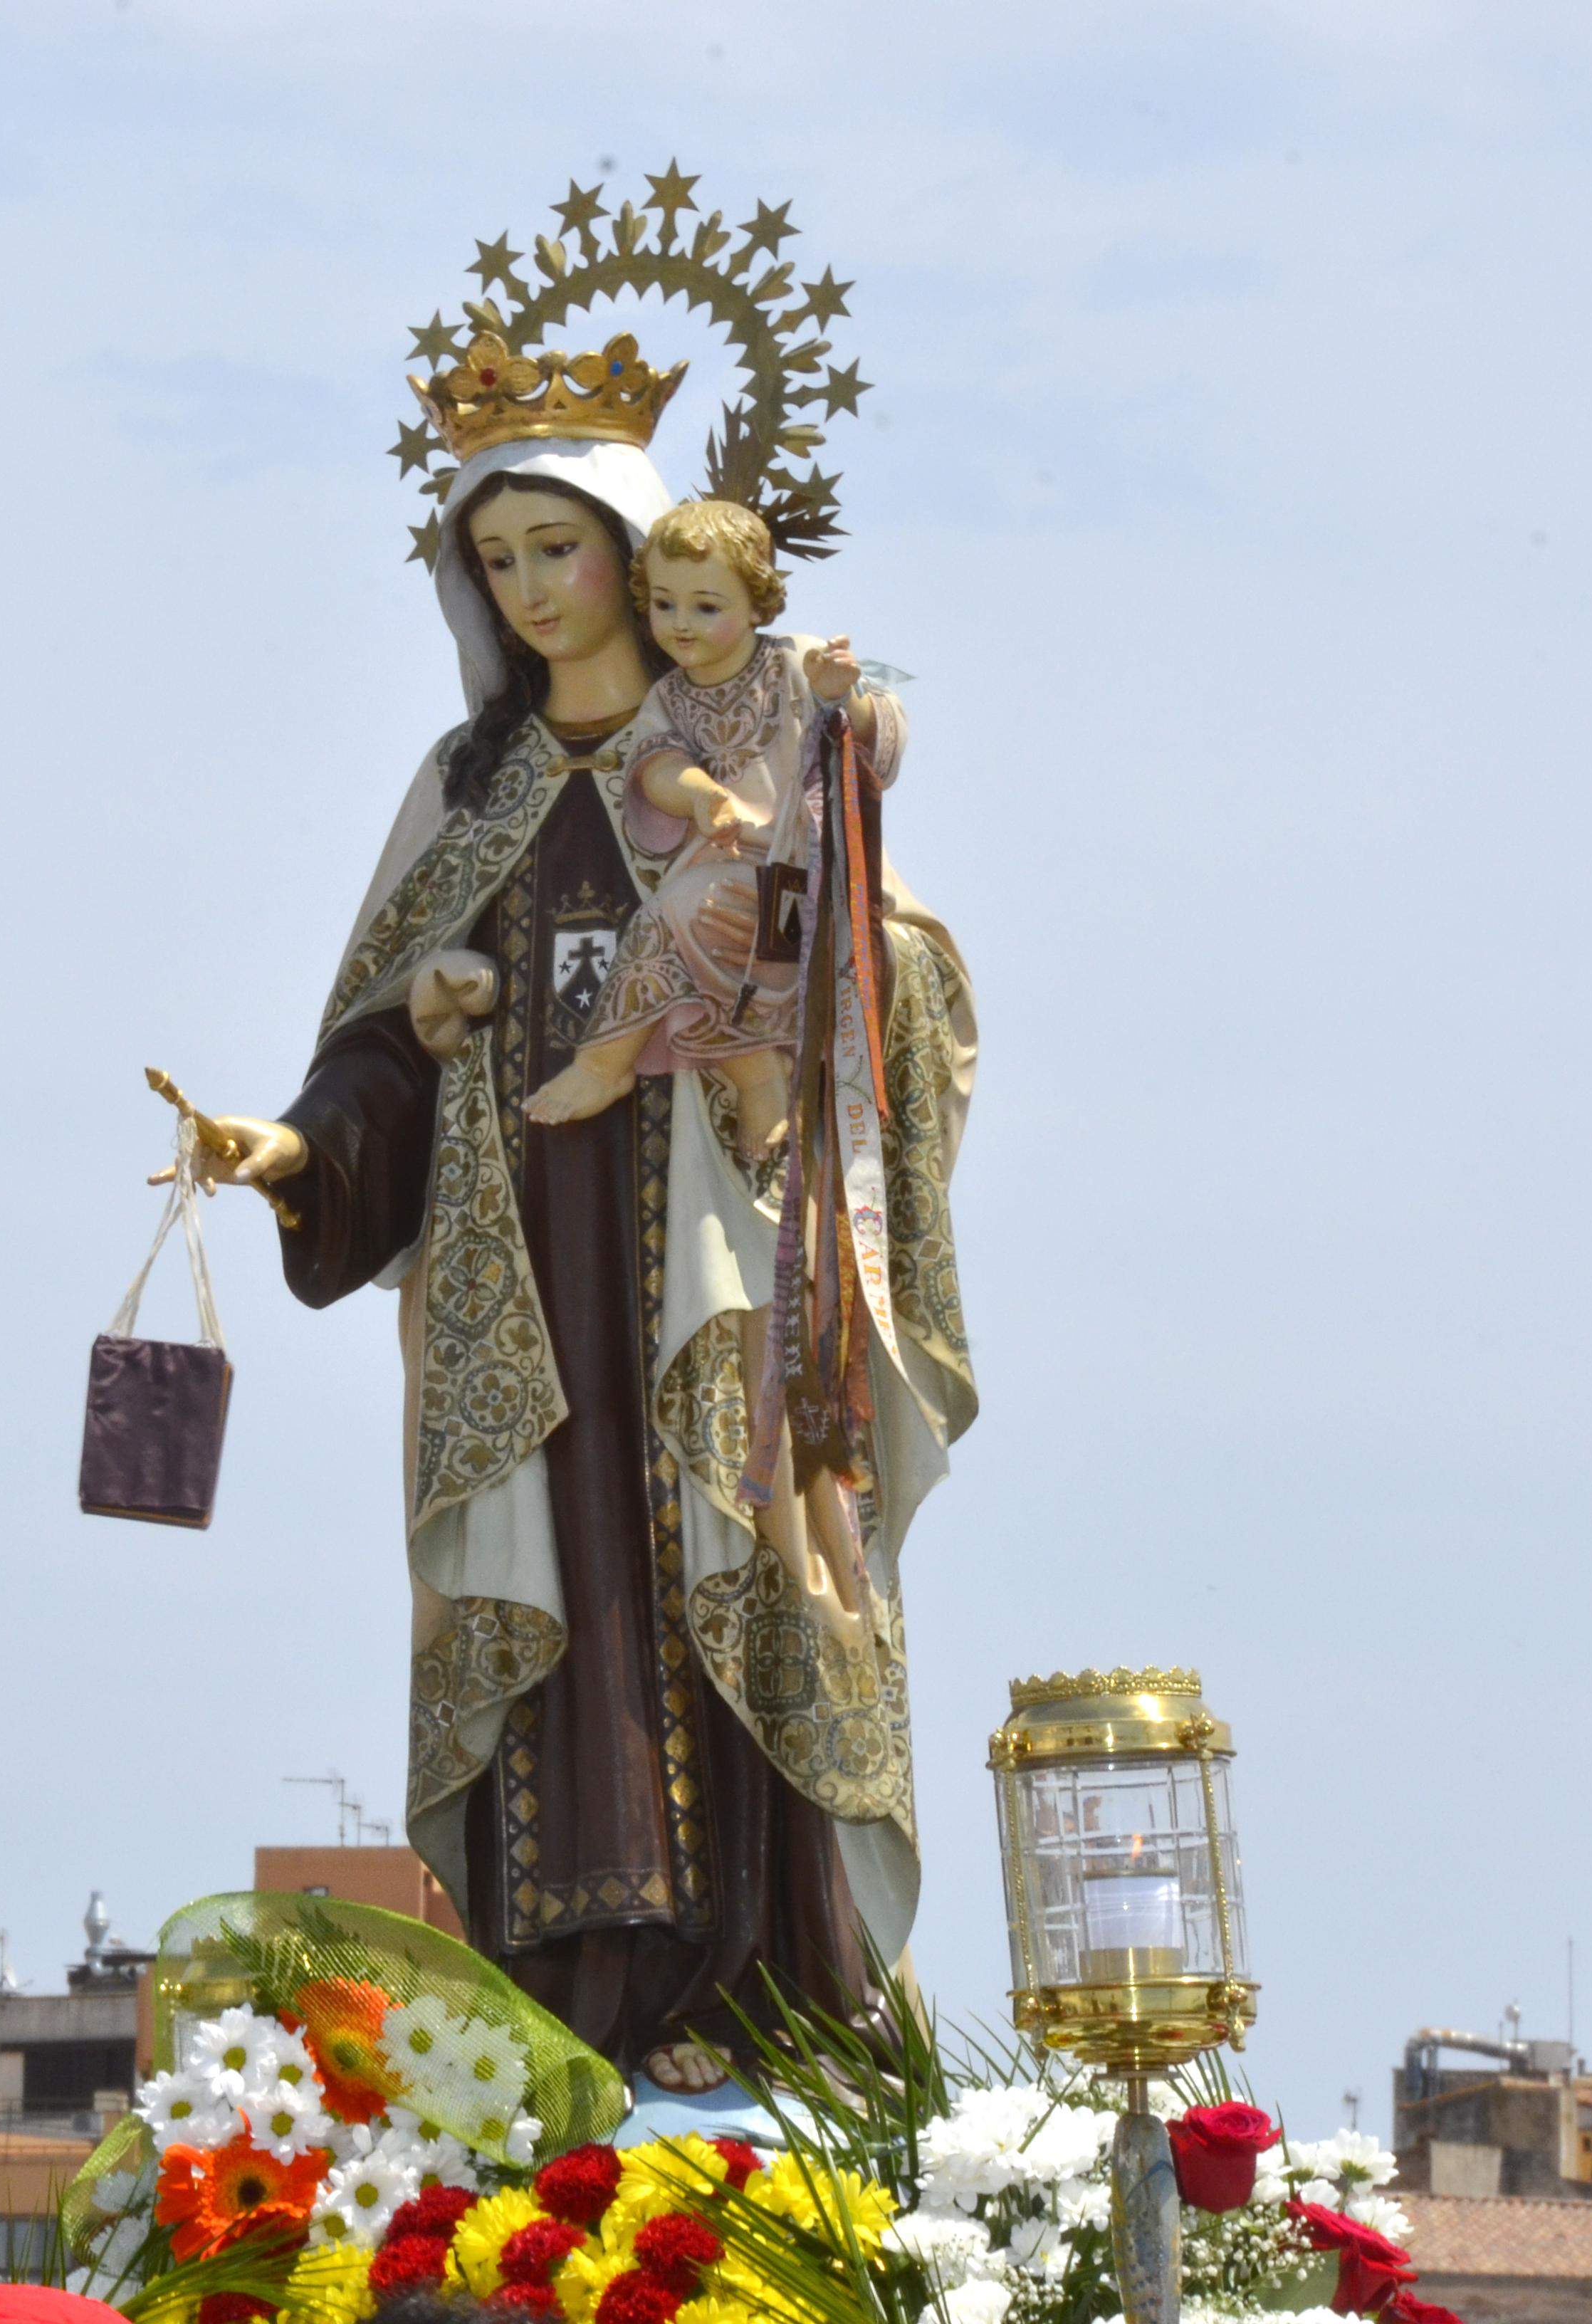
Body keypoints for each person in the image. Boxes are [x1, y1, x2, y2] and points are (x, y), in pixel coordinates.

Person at [179, 332, 977, 2094]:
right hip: (527, 1293)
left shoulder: (752, 744)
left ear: (642, 548)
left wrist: (810, 919)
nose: (534, 592)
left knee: (743, 1570)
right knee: (576, 1621)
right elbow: (376, 1056)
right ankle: (589, 2009)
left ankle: (778, 2004)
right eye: (497, 562)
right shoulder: (471, 794)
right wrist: (296, 1146)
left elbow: (896, 970)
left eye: (561, 548)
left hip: (723, 1268)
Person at [520, 497, 877, 1159]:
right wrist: (700, 795)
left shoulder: (794, 662)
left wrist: (839, 693)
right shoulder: (670, 696)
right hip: (722, 864)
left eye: (706, 607)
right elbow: (656, 765)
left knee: (679, 914)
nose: (680, 625)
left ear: (757, 602)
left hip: (800, 875)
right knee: (670, 929)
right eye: (663, 604)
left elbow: (878, 729)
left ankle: (617, 1066)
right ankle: (729, 1076)